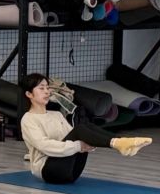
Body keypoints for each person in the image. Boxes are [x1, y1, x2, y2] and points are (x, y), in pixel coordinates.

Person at [17, 73, 152, 184]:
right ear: (29, 94)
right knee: (80, 129)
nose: (47, 92)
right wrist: (78, 146)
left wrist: (90, 143)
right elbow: (44, 146)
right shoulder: (28, 119)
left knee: (85, 126)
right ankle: (119, 143)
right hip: (49, 172)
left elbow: (76, 136)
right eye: (41, 88)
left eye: (47, 88)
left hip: (72, 172)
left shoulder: (56, 115)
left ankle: (121, 142)